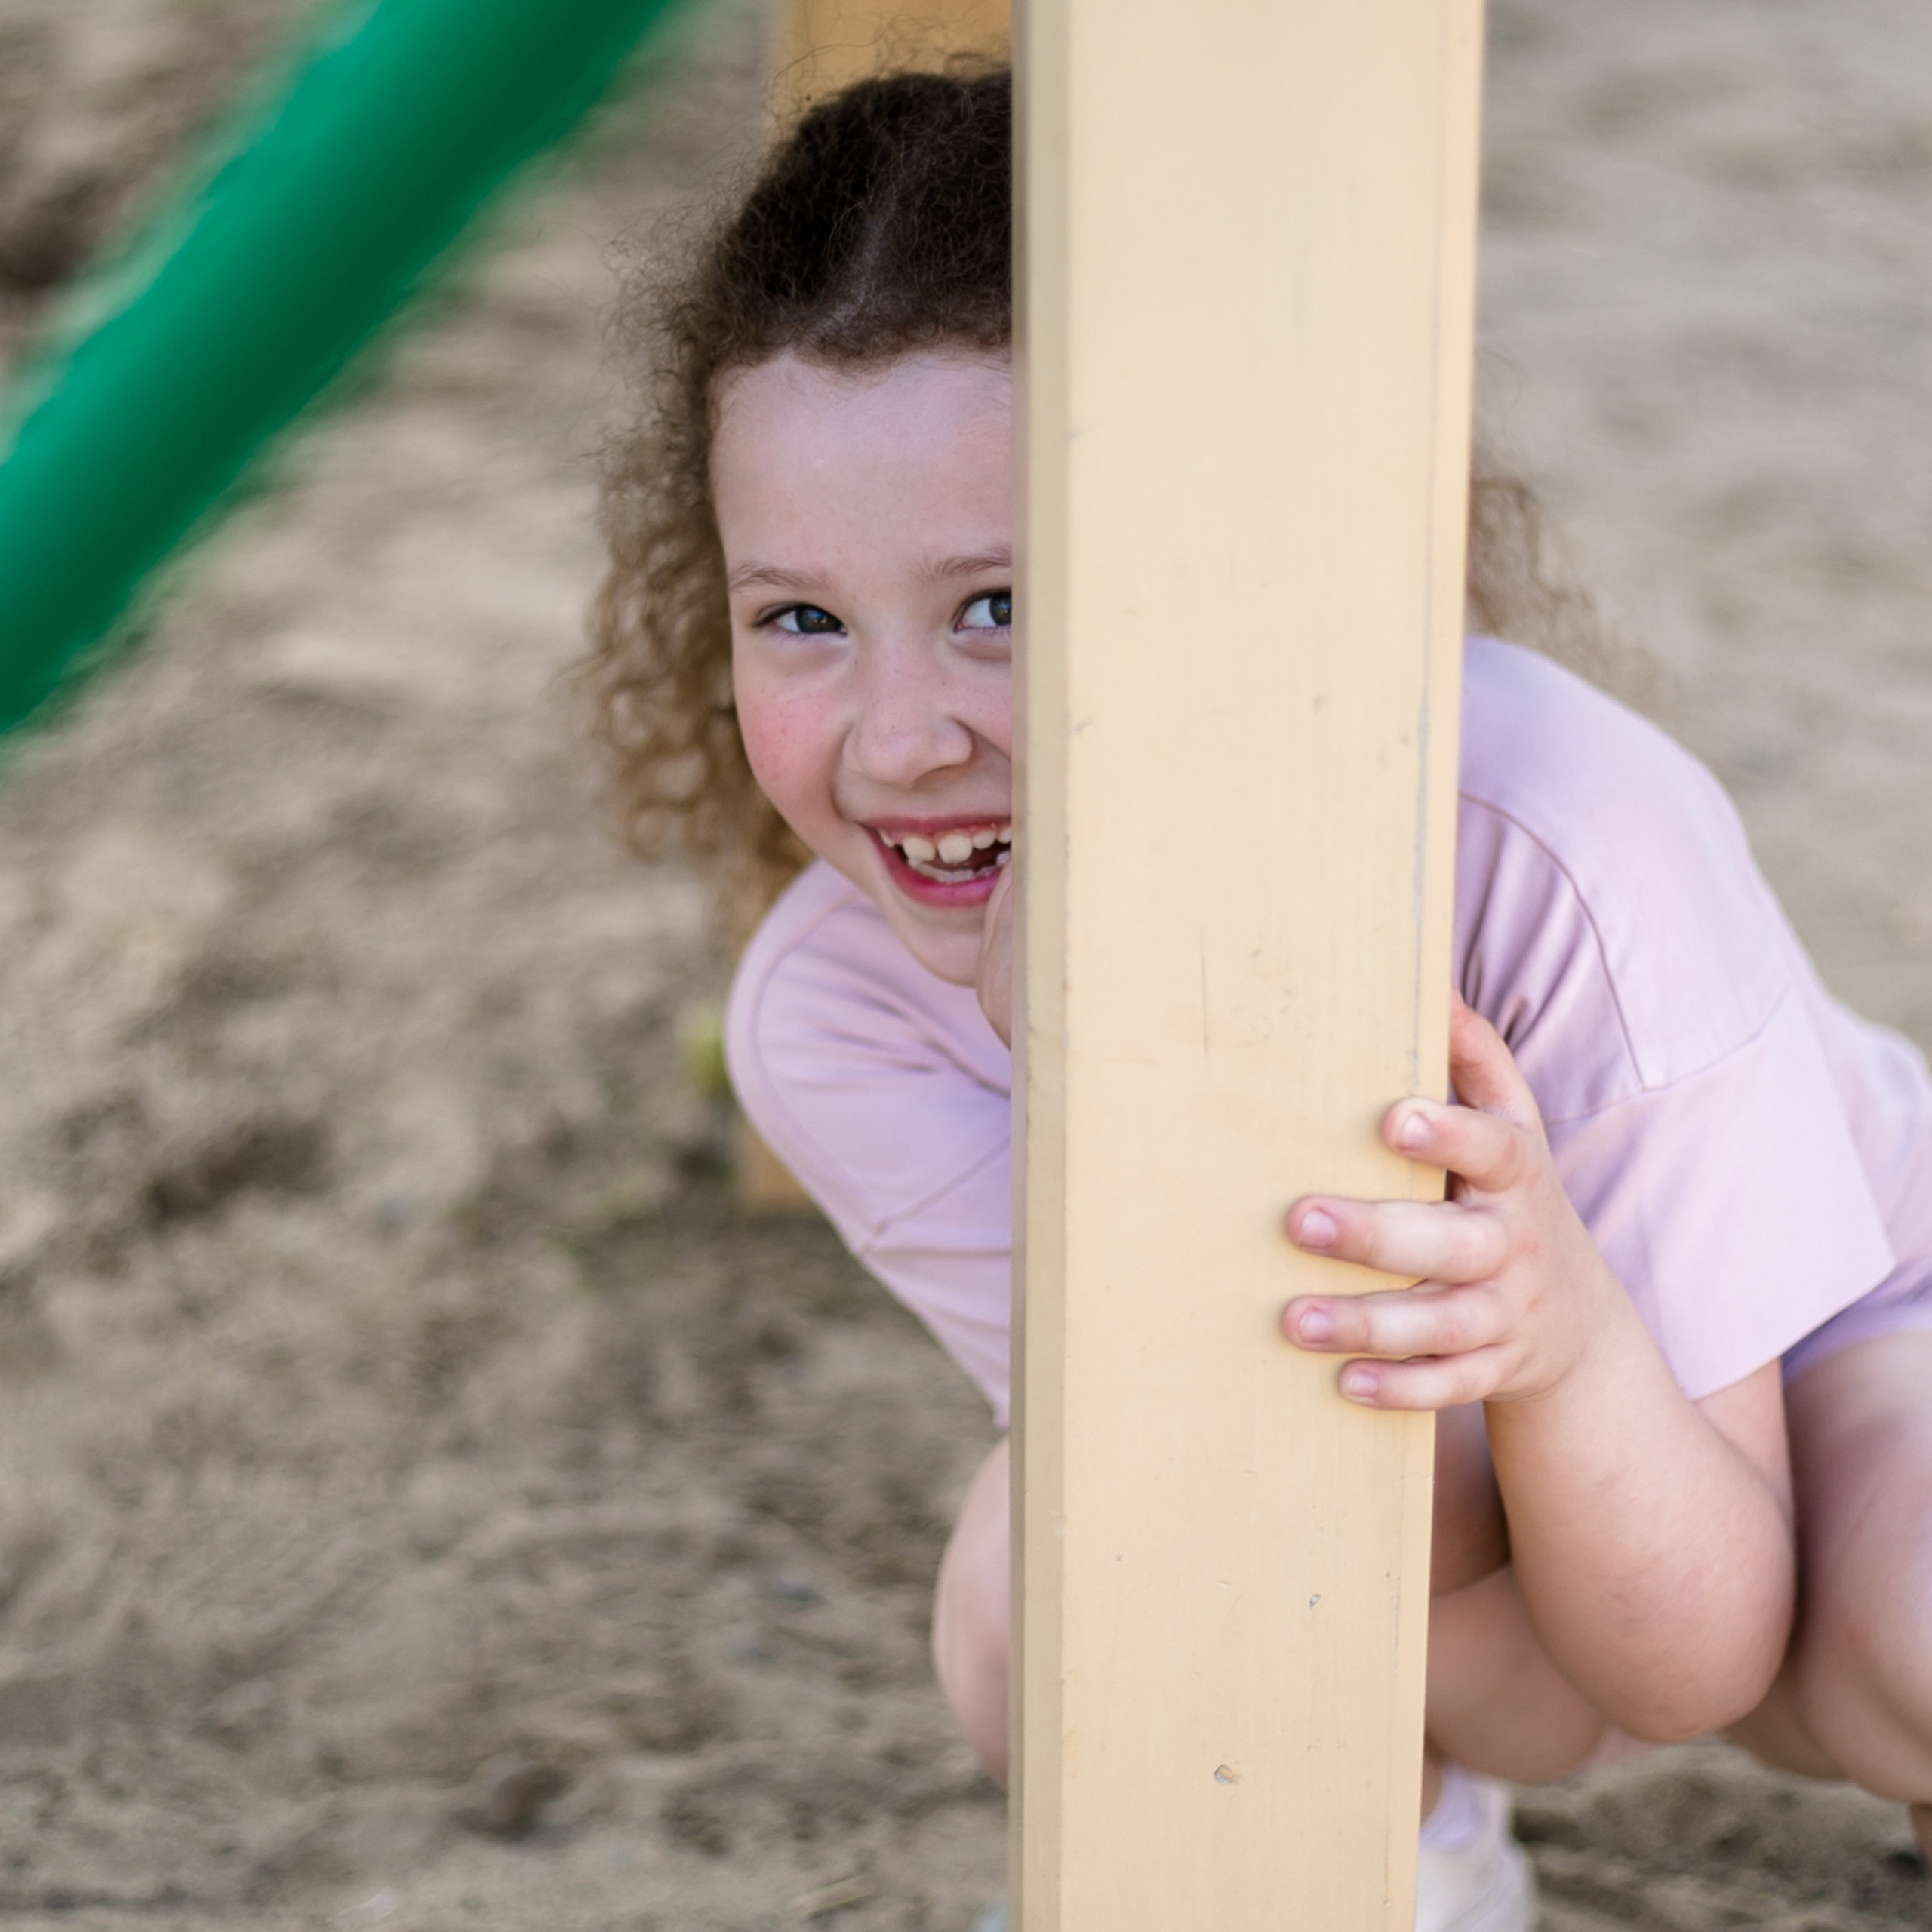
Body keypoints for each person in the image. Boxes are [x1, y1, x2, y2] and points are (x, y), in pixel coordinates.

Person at [585, 66, 1932, 1932]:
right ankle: (1394, 1853)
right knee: (1036, 1604)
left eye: (996, 605)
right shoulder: (838, 1023)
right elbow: (1325, 1528)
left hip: (1833, 1355)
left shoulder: (1559, 837)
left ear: (1234, 564)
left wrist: (1555, 1347)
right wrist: (1086, 1053)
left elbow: (1684, 1651)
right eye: (799, 618)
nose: (898, 742)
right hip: (1442, 1503)